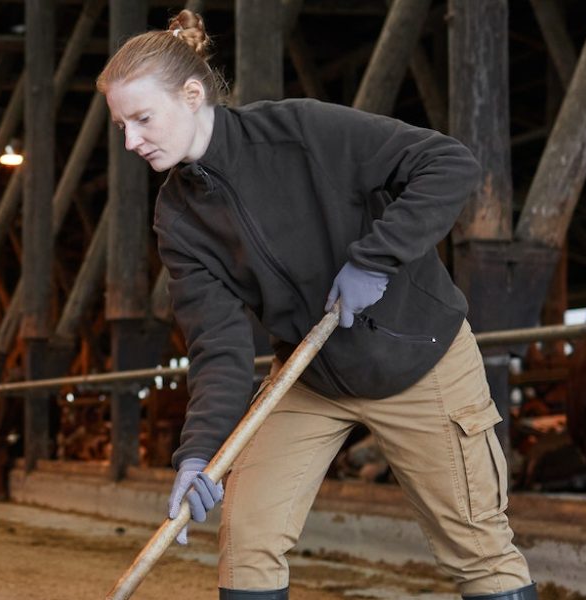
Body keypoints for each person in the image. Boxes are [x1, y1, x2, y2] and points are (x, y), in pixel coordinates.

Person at [97, 10, 535, 600]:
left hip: (418, 358)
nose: (130, 140)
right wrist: (198, 453)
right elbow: (219, 346)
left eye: (142, 119)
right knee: (247, 539)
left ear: (192, 94)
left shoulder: (300, 131)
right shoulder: (177, 219)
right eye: (122, 125)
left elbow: (447, 163)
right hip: (312, 374)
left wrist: (375, 258)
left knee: (477, 545)